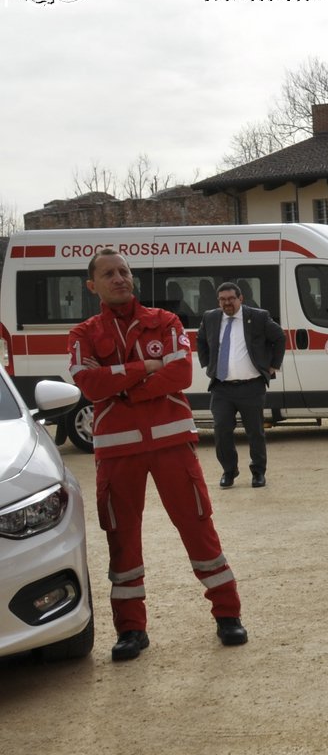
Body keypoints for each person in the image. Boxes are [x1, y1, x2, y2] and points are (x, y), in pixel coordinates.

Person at [68, 249, 248, 661]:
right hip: (117, 454)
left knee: (199, 530)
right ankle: (131, 629)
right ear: (92, 285)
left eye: (124, 271)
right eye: (109, 274)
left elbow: (181, 373)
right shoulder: (82, 333)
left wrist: (121, 382)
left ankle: (228, 614)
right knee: (122, 541)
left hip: (171, 446)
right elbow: (90, 384)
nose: (119, 278)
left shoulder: (164, 321)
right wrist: (143, 370)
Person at [196, 282, 285, 489]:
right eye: (223, 300)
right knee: (221, 431)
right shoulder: (210, 317)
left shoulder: (258, 317)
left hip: (251, 387)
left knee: (255, 432)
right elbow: (200, 339)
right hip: (221, 388)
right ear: (218, 301)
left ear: (240, 298)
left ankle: (258, 472)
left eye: (231, 299)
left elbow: (279, 337)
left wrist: (273, 366)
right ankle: (229, 471)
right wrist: (208, 364)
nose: (227, 303)